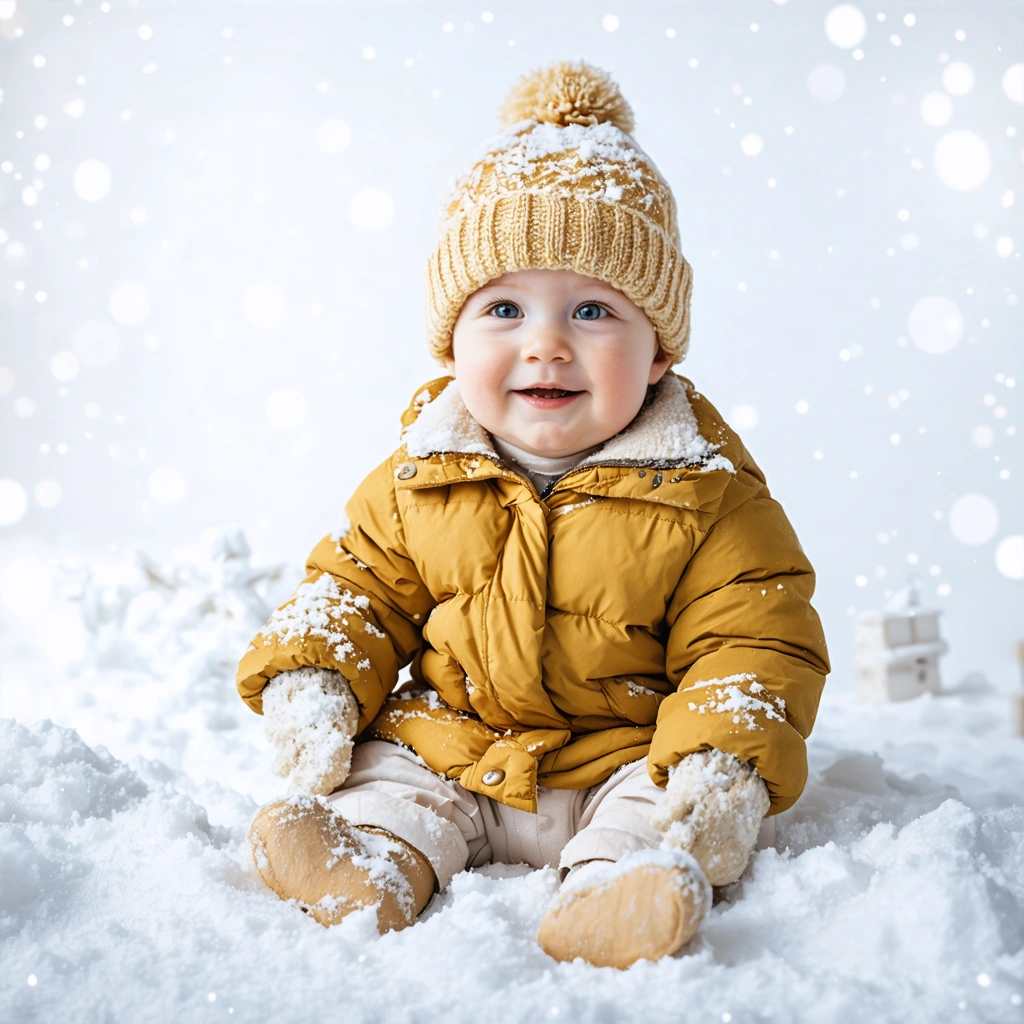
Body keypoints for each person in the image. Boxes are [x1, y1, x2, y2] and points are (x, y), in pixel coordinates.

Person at [238, 61, 830, 969]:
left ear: (659, 351)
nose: (545, 342)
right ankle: (370, 867)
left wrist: (722, 762)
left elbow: (752, 643)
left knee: (654, 808)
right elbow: (355, 587)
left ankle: (609, 896)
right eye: (504, 308)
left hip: (618, 755)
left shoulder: (709, 494)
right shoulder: (420, 475)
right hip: (458, 743)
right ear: (453, 341)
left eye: (592, 310)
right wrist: (315, 675)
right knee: (390, 778)